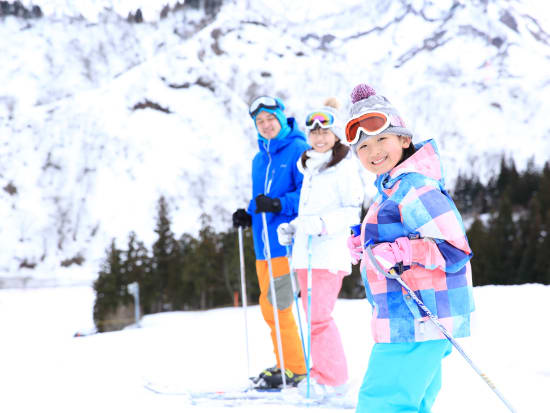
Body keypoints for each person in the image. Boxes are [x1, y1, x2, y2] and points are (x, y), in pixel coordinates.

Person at [344, 84, 475, 413]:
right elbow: (408, 230)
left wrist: (399, 251)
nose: (373, 152)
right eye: (363, 147)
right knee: (410, 404)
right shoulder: (393, 185)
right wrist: (368, 243)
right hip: (416, 316)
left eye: (381, 140)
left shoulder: (413, 186)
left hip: (417, 315)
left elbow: (455, 249)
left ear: (403, 139)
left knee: (381, 403)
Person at [276, 98, 363, 398]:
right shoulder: (311, 168)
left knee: (319, 318)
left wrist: (321, 224)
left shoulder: (344, 168)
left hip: (328, 255)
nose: (319, 137)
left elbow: (353, 211)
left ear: (336, 135)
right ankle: (321, 374)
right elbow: (309, 216)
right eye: (313, 132)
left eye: (325, 131)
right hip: (306, 255)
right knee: (312, 318)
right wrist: (295, 228)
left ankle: (333, 379)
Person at [232, 95, 310, 388]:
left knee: (279, 306)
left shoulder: (299, 150)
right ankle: (285, 364)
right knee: (269, 308)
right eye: (259, 121)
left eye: (270, 119)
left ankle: (297, 368)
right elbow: (260, 201)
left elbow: (308, 195)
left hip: (285, 244)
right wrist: (247, 213)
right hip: (262, 247)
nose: (266, 125)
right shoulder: (259, 159)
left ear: (281, 118)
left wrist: (278, 204)